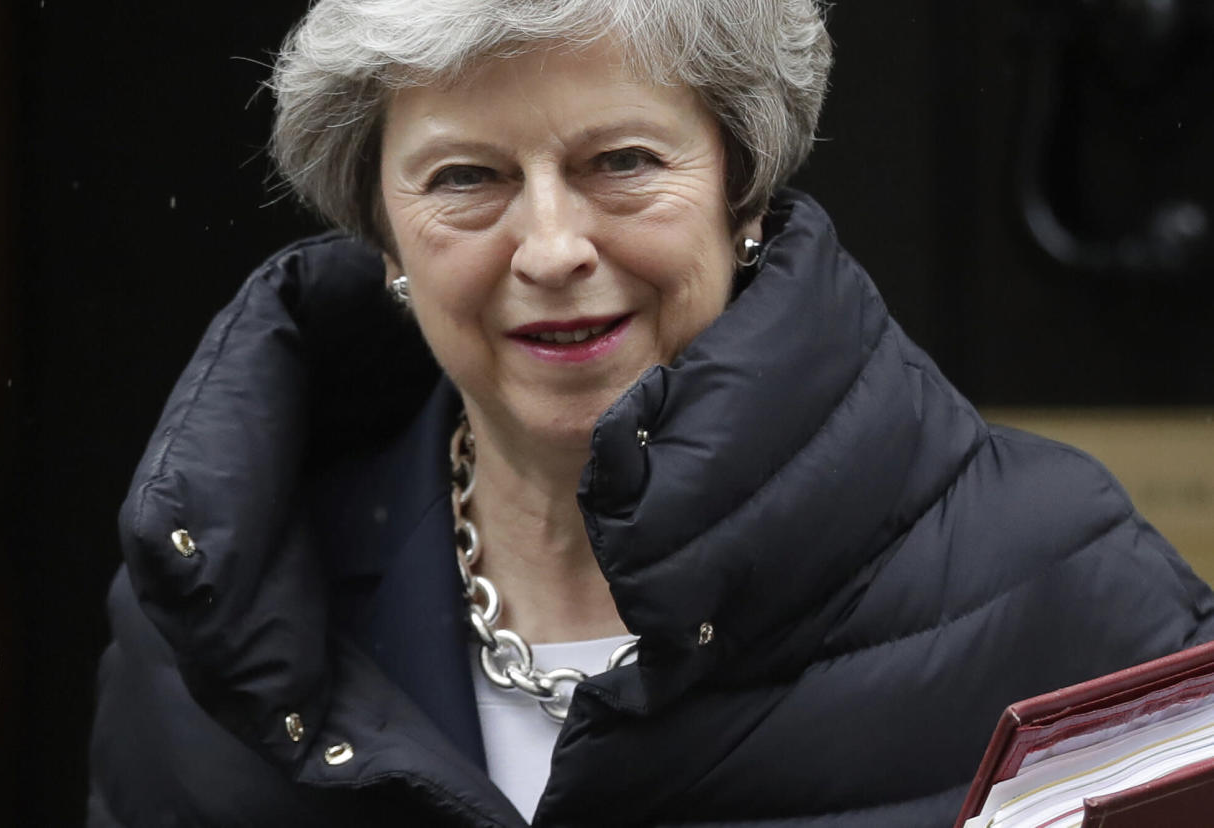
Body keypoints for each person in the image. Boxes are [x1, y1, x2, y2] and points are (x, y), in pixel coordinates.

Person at [87, 1, 1214, 825]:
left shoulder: (1064, 590)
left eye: (620, 161)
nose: (553, 247)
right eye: (465, 179)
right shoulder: (216, 617)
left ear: (744, 191)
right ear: (380, 237)